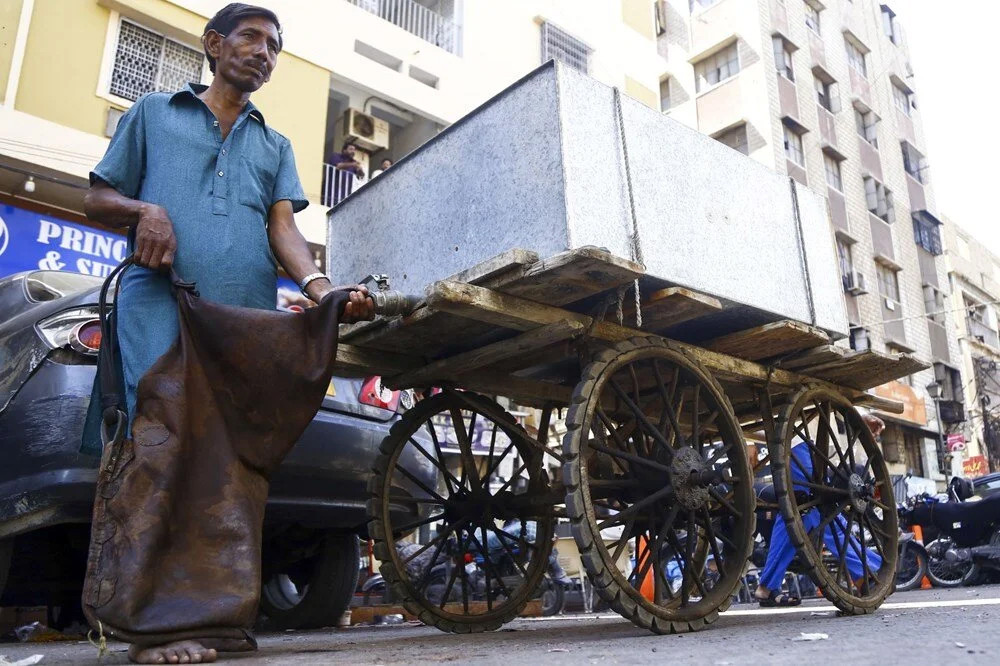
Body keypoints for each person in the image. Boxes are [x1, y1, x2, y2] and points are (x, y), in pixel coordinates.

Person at [83, 4, 373, 663]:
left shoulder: (274, 145)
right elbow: (96, 199)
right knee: (162, 447)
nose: (264, 53)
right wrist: (145, 210)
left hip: (243, 320)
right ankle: (148, 629)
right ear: (214, 44)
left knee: (233, 466)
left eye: (274, 45)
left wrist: (322, 292)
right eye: (251, 38)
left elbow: (283, 232)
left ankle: (215, 619)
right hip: (159, 305)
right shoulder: (154, 114)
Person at [754, 413, 886, 607]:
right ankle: (865, 570)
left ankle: (767, 585)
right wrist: (857, 415)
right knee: (816, 505)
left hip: (799, 436)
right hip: (797, 434)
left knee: (799, 510)